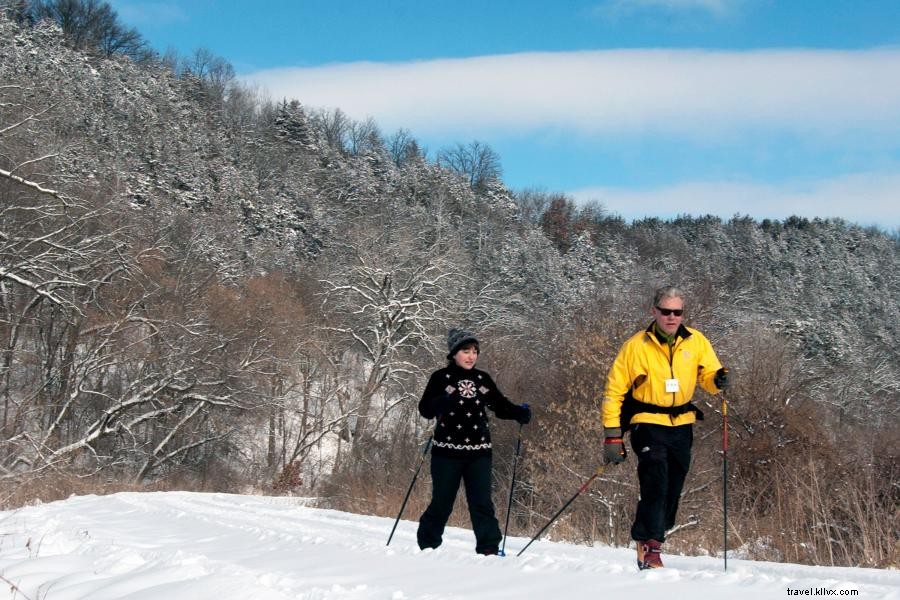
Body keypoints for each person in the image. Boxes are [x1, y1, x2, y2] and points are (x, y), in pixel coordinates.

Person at [601, 286, 729, 570]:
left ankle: (653, 534)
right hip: (647, 421)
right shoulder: (635, 346)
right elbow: (614, 391)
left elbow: (707, 374)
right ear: (654, 312)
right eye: (666, 311)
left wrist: (717, 380)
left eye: (677, 312)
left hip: (682, 423)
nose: (672, 317)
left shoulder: (696, 341)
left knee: (673, 485)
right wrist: (612, 436)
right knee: (656, 477)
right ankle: (650, 546)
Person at [416, 327, 532, 555]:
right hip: (446, 453)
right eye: (465, 350)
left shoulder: (482, 379)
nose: (471, 356)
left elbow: (500, 405)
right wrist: (441, 402)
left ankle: (489, 548)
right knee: (442, 503)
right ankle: (428, 546)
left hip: (479, 452)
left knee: (482, 504)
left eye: (475, 351)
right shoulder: (441, 378)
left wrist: (519, 412)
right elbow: (425, 409)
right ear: (453, 353)